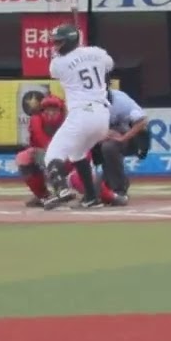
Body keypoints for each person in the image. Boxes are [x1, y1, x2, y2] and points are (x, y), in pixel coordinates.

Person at [42, 24, 114, 210]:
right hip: (102, 116)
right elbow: (109, 64)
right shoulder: (97, 52)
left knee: (52, 155)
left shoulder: (58, 63)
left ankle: (62, 190)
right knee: (77, 154)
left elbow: (55, 71)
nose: (56, 46)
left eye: (59, 42)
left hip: (82, 113)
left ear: (70, 41)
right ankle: (91, 197)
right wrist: (87, 54)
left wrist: (79, 55)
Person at [16, 95, 118, 208]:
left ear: (61, 111)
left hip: (72, 160)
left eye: (54, 110)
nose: (51, 113)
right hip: (48, 158)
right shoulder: (36, 120)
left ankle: (111, 196)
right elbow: (42, 141)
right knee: (24, 157)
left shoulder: (71, 119)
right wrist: (52, 159)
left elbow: (83, 149)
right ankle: (44, 196)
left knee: (77, 180)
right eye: (47, 110)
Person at [92, 87, 149, 204]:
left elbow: (142, 121)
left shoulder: (121, 100)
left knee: (109, 147)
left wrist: (124, 137)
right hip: (95, 136)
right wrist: (100, 133)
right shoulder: (82, 100)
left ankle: (119, 190)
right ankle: (92, 189)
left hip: (124, 136)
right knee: (77, 149)